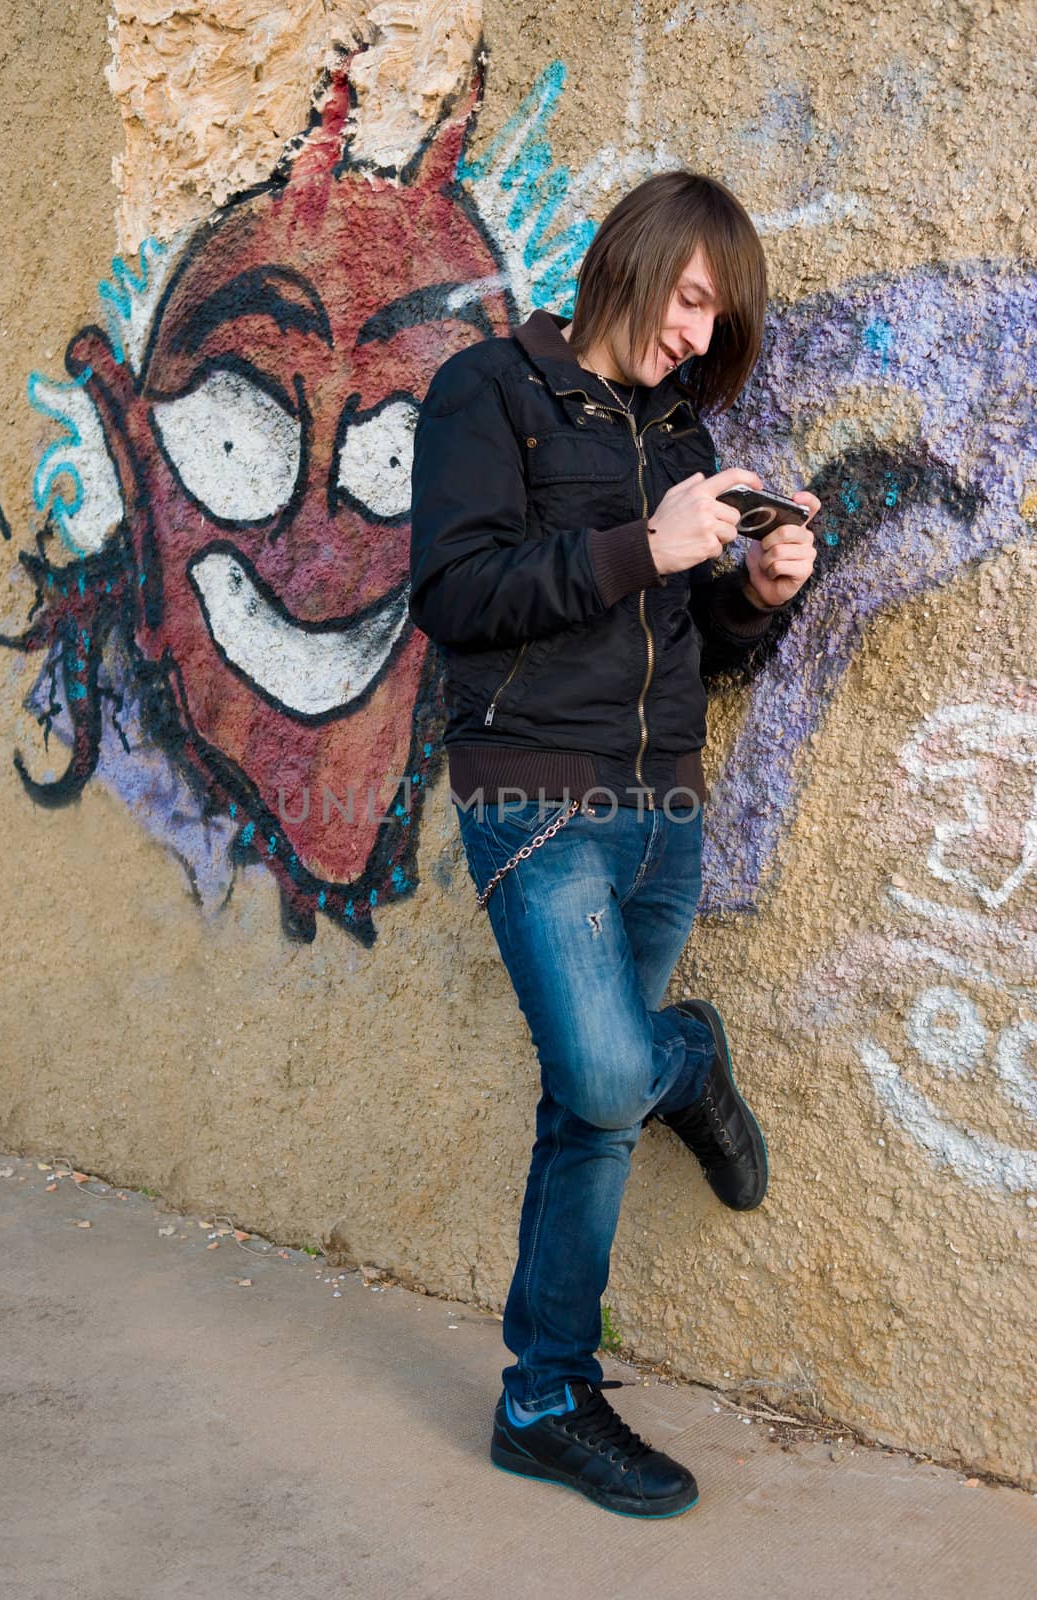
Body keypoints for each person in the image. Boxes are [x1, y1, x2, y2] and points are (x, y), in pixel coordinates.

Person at [408, 170, 819, 1518]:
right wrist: (642, 545)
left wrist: (753, 595)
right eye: (692, 299)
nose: (699, 336)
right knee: (603, 1073)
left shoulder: (682, 442)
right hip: (536, 803)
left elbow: (695, 654)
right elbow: (456, 595)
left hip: (662, 814)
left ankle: (542, 1397)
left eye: (718, 319)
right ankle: (685, 1057)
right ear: (634, 263)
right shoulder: (490, 393)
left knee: (585, 1118)